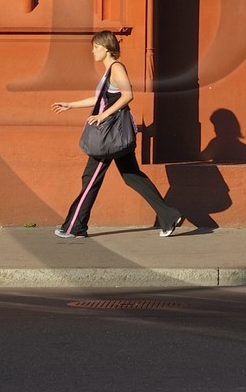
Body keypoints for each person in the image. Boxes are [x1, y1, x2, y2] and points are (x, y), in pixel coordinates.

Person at [51, 31, 185, 239]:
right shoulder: (108, 72)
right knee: (132, 177)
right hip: (115, 136)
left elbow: (128, 94)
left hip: (109, 136)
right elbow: (100, 99)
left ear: (106, 48)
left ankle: (74, 226)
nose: (92, 50)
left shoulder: (116, 68)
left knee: (91, 178)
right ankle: (169, 215)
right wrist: (70, 105)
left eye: (96, 46)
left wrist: (102, 116)